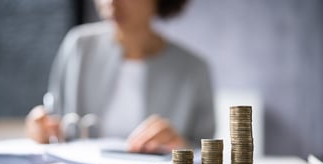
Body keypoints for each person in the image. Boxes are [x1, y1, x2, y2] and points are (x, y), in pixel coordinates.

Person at [26, 0, 215, 153]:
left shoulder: (194, 69)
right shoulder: (79, 47)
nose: (111, 2)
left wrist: (180, 145)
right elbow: (56, 121)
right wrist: (40, 128)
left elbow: (204, 148)